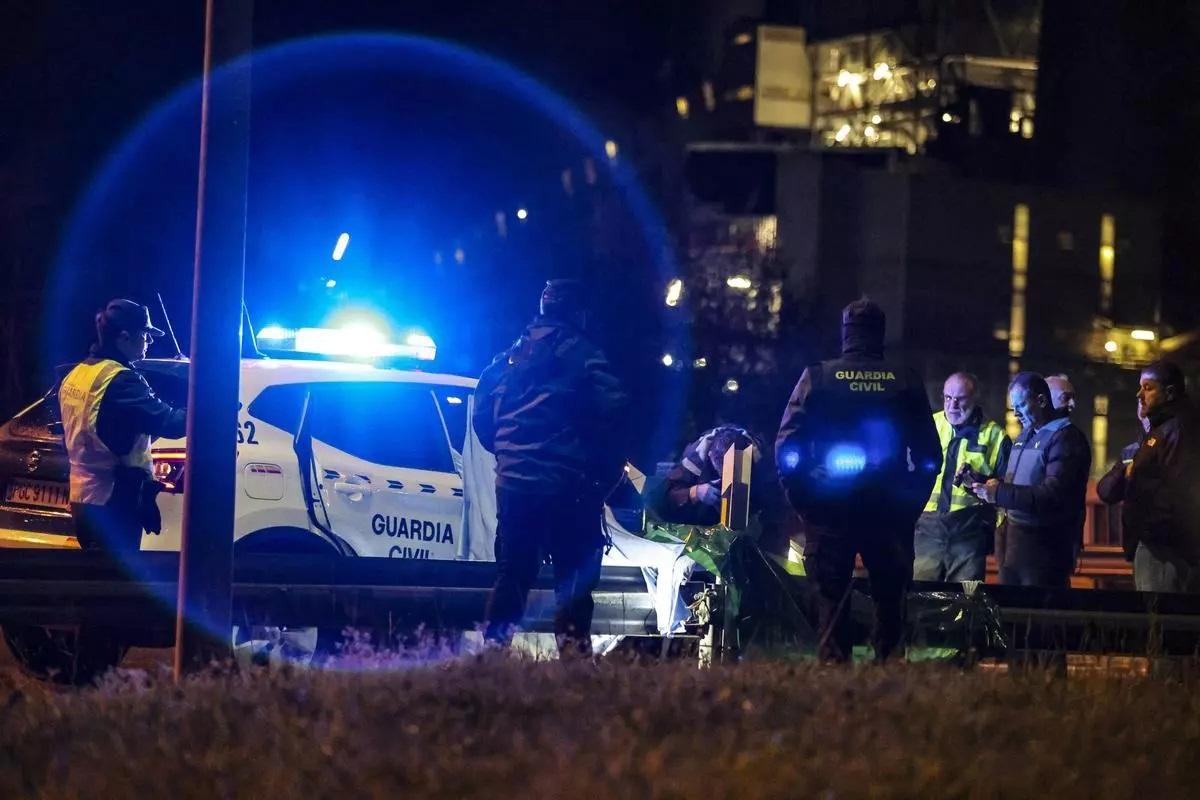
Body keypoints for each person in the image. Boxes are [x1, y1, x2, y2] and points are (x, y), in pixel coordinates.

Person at [775, 299, 941, 663]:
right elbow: (929, 455)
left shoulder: (818, 377)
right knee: (890, 604)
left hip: (829, 512)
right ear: (880, 334)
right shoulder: (905, 380)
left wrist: (805, 502)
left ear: (846, 332)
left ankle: (836, 697)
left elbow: (788, 448)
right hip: (889, 513)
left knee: (830, 605)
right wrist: (910, 504)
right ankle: (889, 688)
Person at [473, 279, 629, 655]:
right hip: (568, 486)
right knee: (573, 581)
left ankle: (492, 659)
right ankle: (574, 666)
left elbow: (481, 417)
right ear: (579, 313)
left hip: (514, 485)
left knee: (512, 575)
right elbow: (618, 412)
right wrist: (600, 474)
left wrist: (509, 456)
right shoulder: (587, 355)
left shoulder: (507, 357)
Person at [59, 299, 186, 553]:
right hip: (114, 500)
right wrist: (209, 402)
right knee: (113, 585)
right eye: (145, 335)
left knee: (97, 580)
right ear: (125, 337)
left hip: (84, 497)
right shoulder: (121, 381)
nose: (149, 342)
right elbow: (172, 424)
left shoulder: (80, 372)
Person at [970, 372, 1090, 587]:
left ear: (1042, 401)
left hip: (1044, 549)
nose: (1015, 413)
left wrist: (998, 492)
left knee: (1039, 613)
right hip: (1012, 546)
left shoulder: (1066, 438)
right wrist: (980, 483)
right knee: (1011, 612)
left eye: (1021, 405)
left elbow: (1053, 494)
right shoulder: (1027, 435)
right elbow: (1019, 484)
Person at [913, 372, 1010, 582]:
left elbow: (1006, 490)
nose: (953, 405)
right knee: (921, 597)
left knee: (965, 600)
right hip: (926, 529)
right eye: (948, 397)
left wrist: (981, 483)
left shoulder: (995, 435)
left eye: (960, 399)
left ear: (975, 398)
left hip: (968, 531)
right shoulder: (929, 426)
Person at [1120, 361, 1200, 593]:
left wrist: (1149, 530)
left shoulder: (1176, 430)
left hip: (1164, 549)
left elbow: (1177, 489)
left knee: (1160, 616)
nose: (1139, 395)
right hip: (1158, 543)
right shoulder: (1163, 427)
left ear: (1170, 392)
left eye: (1148, 388)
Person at [654, 424, 788, 554]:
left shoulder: (762, 460)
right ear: (711, 455)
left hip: (749, 535)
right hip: (703, 531)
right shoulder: (697, 456)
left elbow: (779, 503)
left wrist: (761, 525)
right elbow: (663, 500)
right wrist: (695, 492)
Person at [1096, 398, 1150, 562]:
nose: (1141, 399)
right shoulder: (1131, 451)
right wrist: (1124, 471)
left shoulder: (1173, 443)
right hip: (1136, 541)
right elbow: (1107, 493)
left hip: (1161, 544)